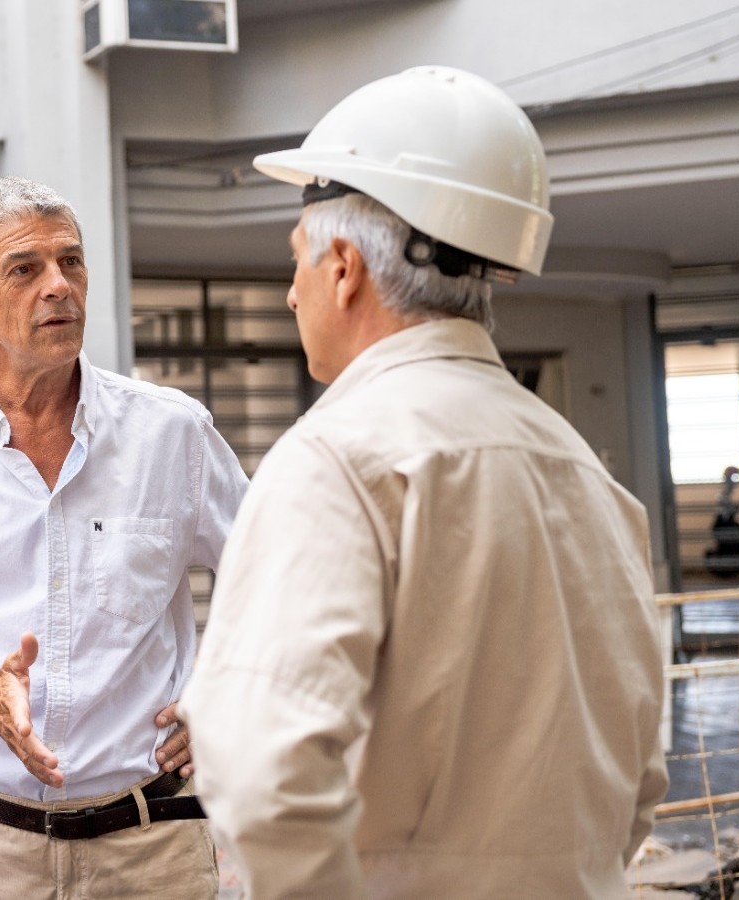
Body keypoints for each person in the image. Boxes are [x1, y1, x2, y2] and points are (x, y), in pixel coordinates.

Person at [181, 66, 668, 898]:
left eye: (297, 260)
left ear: (344, 269)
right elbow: (639, 780)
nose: (292, 290)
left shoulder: (338, 459)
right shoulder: (582, 470)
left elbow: (262, 769)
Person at [0, 176, 249, 898]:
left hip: (151, 848)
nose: (59, 286)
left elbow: (274, 579)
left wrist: (223, 693)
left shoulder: (172, 433)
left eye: (72, 262)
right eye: (25, 269)